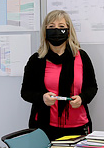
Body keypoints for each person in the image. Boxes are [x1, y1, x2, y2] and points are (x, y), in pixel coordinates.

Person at [21, 10, 98, 140]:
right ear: (45, 31)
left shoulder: (81, 57)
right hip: (45, 127)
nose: (56, 30)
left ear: (69, 30)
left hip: (78, 126)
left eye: (61, 27)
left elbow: (92, 87)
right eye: (51, 27)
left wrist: (82, 98)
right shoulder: (37, 60)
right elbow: (26, 92)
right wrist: (42, 98)